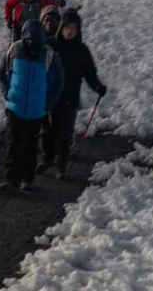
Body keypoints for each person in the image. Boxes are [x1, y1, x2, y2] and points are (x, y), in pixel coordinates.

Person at [43, 11, 108, 177]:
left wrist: (97, 86)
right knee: (48, 131)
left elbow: (89, 73)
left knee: (65, 133)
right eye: (66, 27)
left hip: (69, 97)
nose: (70, 31)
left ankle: (61, 165)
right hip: (49, 97)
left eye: (74, 28)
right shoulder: (51, 45)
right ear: (61, 28)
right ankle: (47, 158)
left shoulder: (81, 50)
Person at [0, 28, 62, 192]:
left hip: (36, 111)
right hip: (15, 107)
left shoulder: (48, 55)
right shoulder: (15, 50)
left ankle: (27, 178)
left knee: (31, 145)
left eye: (34, 40)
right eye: (28, 39)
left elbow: (58, 81)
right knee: (14, 143)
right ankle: (11, 178)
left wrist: (48, 104)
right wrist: (7, 93)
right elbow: (1, 73)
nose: (31, 43)